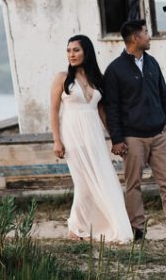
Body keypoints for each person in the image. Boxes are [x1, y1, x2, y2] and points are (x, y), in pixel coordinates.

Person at [104, 19, 166, 242]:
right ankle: (137, 230)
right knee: (133, 184)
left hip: (159, 134)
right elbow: (111, 107)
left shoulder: (152, 63)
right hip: (132, 137)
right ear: (135, 38)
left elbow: (163, 92)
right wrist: (117, 138)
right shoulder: (115, 70)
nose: (149, 36)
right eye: (145, 32)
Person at [50, 35, 133, 244]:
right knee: (82, 183)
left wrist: (116, 139)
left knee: (105, 179)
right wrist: (57, 140)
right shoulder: (62, 78)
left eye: (76, 50)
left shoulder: (97, 79)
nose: (71, 54)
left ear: (86, 52)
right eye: (68, 51)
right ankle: (75, 228)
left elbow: (103, 113)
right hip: (73, 135)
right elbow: (53, 110)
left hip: (94, 135)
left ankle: (96, 226)